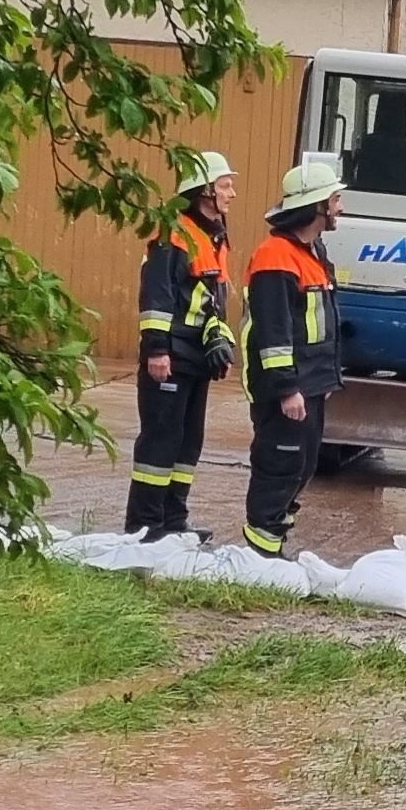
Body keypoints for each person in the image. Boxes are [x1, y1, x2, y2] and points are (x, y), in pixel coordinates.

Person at [124, 151, 239, 540]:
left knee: (189, 442)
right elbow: (157, 296)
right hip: (169, 358)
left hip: (194, 359)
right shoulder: (172, 234)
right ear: (204, 190)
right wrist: (156, 350)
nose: (232, 193)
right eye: (225, 185)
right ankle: (144, 526)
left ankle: (173, 521)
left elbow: (212, 300)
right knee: (161, 440)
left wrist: (219, 340)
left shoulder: (214, 236)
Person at [237, 160, 347, 557]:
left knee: (302, 467)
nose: (340, 208)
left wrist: (324, 381)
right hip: (286, 388)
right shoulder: (275, 256)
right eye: (335, 200)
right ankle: (259, 553)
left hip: (310, 384)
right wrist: (287, 389)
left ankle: (273, 544)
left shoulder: (313, 252)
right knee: (280, 465)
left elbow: (318, 326)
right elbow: (274, 333)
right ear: (317, 205)